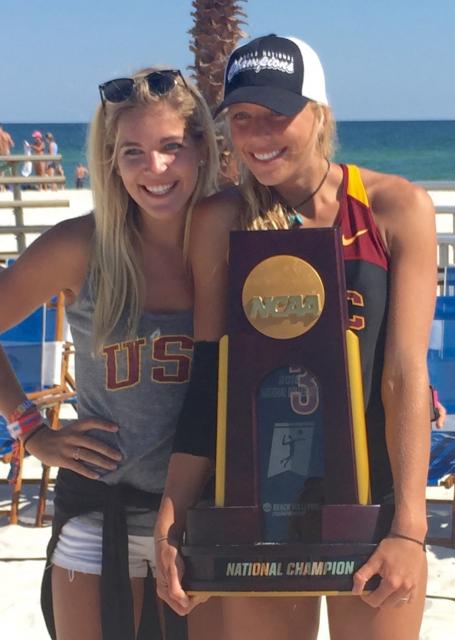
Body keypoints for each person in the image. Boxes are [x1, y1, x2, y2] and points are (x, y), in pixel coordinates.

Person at [155, 34, 437, 640]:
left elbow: (405, 374)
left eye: (278, 115)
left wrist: (409, 529)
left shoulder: (394, 209)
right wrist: (171, 517)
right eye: (244, 118)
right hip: (255, 505)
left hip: (373, 500)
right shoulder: (220, 220)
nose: (258, 136)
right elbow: (211, 375)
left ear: (320, 114)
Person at [0, 67, 218, 640]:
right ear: (110, 162)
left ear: (202, 148)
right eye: (133, 152)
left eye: (172, 147)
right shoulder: (81, 247)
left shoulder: (236, 242)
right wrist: (29, 428)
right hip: (101, 508)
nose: (156, 169)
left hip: (211, 515)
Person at [0, 124, 15, 191]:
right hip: (7, 154)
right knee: (10, 171)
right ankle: (12, 188)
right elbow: (12, 144)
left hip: (0, 155)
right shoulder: (7, 135)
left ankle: (2, 188)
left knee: (1, 172)